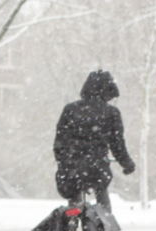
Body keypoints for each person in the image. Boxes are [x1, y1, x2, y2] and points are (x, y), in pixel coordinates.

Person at [53, 69, 135, 211]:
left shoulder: (70, 109)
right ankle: (106, 229)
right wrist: (127, 164)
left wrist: (63, 161)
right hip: (96, 168)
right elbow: (117, 145)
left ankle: (70, 225)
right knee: (102, 196)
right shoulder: (111, 112)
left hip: (71, 167)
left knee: (74, 200)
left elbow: (60, 141)